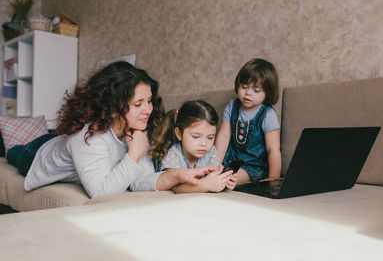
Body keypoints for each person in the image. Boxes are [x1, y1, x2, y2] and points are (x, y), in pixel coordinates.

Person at [7, 61, 214, 198]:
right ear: (114, 106)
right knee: (13, 152)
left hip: (65, 145)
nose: (148, 110)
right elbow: (101, 193)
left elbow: (138, 180)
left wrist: (175, 176)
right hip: (36, 153)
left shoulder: (136, 131)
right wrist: (133, 154)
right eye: (138, 103)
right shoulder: (90, 138)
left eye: (149, 101)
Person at [215, 58, 282, 194]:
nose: (248, 93)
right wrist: (215, 164)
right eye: (244, 87)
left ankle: (222, 182)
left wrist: (273, 179)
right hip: (231, 161)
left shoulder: (267, 114)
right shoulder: (232, 107)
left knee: (228, 179)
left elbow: (273, 150)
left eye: (256, 90)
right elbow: (223, 137)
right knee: (214, 173)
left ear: (267, 93)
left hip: (253, 166)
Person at [148, 100, 236, 193]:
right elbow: (176, 187)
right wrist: (205, 185)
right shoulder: (172, 153)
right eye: (196, 137)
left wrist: (224, 183)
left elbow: (213, 181)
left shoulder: (211, 151)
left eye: (210, 137)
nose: (204, 144)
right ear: (179, 134)